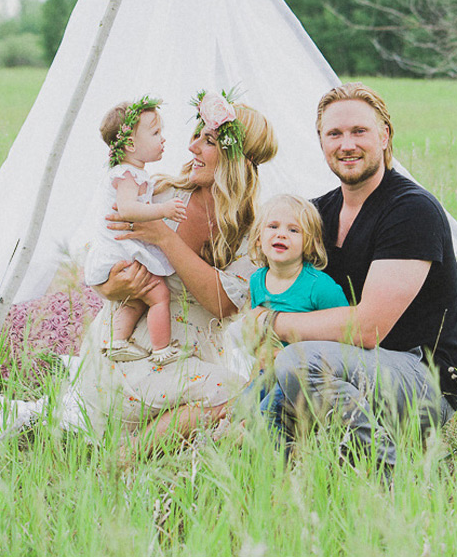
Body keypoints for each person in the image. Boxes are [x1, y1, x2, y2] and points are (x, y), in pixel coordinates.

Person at [255, 83, 457, 472]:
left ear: (384, 136)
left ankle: (387, 475)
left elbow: (368, 328)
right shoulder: (318, 214)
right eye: (334, 134)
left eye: (359, 131)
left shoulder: (411, 210)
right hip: (349, 370)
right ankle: (281, 489)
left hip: (423, 379)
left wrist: (275, 323)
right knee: (250, 401)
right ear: (321, 142)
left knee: (295, 363)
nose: (346, 144)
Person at [74, 91, 278, 445]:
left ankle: (129, 455)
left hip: (194, 359)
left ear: (236, 158)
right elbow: (100, 248)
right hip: (129, 353)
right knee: (235, 395)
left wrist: (166, 241)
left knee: (245, 402)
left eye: (209, 140)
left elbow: (224, 304)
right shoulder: (159, 195)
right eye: (196, 135)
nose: (193, 147)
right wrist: (108, 287)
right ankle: (128, 453)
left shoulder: (254, 231)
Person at [82, 97, 189, 366]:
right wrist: (163, 211)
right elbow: (127, 209)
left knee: (139, 297)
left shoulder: (129, 172)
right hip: (118, 252)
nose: (163, 139)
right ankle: (162, 349)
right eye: (155, 133)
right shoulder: (128, 175)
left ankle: (117, 341)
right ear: (130, 144)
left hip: (118, 251)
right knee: (159, 295)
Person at [241, 193, 348, 411]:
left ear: (309, 244)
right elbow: (257, 334)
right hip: (266, 370)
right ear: (259, 238)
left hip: (303, 375)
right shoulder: (257, 281)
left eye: (293, 230)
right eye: (273, 226)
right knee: (239, 410)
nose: (282, 234)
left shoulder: (320, 286)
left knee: (268, 413)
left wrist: (283, 356)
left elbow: (344, 337)